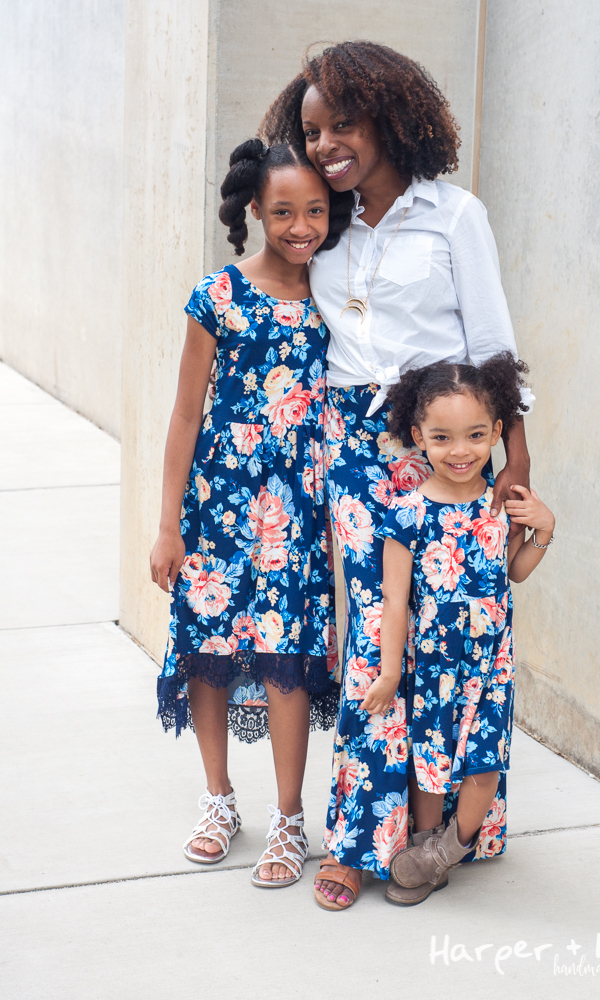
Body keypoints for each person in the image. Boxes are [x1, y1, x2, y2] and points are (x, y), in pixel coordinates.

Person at [261, 40, 536, 908]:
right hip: (352, 447)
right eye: (313, 131)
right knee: (378, 635)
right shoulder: (323, 223)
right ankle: (359, 840)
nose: (326, 145)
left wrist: (516, 452)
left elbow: (492, 344)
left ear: (390, 119)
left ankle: (448, 830)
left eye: (343, 124)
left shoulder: (454, 217)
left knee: (451, 636)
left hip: (442, 449)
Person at [149, 139, 352, 887]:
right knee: (209, 647)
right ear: (256, 211)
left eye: (315, 211)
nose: (301, 226)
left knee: (283, 654)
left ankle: (290, 818)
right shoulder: (218, 295)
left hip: (296, 513)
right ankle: (219, 799)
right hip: (217, 504)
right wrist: (167, 524)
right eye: (284, 211)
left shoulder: (335, 293)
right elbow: (184, 414)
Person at [373, 355, 554, 905]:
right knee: (431, 762)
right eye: (442, 437)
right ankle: (426, 845)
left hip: (490, 663)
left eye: (476, 436)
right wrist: (389, 672)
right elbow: (394, 602)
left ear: (497, 433)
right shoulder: (408, 513)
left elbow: (513, 571)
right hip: (434, 665)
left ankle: (443, 854)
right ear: (418, 437)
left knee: (484, 761)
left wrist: (544, 531)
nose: (461, 451)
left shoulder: (501, 505)